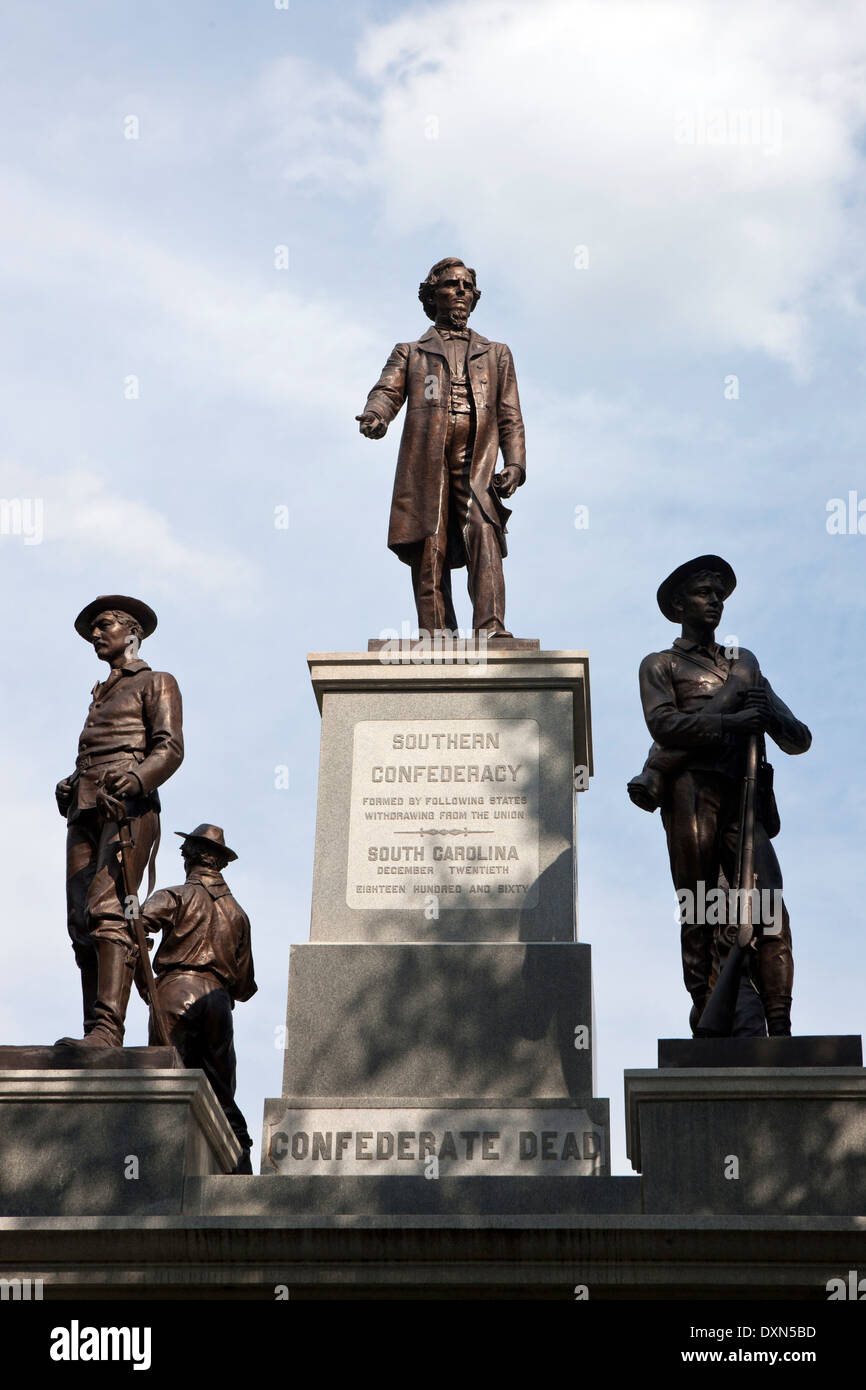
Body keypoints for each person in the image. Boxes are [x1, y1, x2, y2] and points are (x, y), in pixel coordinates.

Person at [629, 556, 811, 1036]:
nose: (714, 601)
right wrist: (732, 720)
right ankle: (705, 1010)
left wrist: (768, 714)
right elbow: (664, 724)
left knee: (770, 906)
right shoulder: (660, 664)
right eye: (703, 593)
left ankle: (780, 1023)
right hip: (691, 791)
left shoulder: (742, 665)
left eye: (719, 595)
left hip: (744, 796)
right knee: (699, 905)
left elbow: (799, 738)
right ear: (678, 605)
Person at [357, 257, 526, 637]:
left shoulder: (497, 353)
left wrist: (515, 463)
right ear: (433, 296)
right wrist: (376, 414)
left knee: (483, 530)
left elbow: (509, 413)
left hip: (477, 458)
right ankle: (436, 633)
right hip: (426, 459)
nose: (461, 292)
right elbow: (387, 391)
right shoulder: (410, 352)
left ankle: (491, 629)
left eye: (467, 286)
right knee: (430, 540)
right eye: (452, 285)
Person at [55, 596, 183, 1047]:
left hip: (127, 807)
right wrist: (71, 784)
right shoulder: (100, 692)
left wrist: (136, 779)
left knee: (107, 910)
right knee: (80, 920)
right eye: (93, 628)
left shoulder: (156, 681)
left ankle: (108, 1030)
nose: (96, 634)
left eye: (104, 625)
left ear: (132, 633)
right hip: (85, 808)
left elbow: (169, 748)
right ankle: (92, 1029)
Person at [139, 824, 256, 1174]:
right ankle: (239, 1169)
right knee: (221, 1093)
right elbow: (243, 986)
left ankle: (156, 1170)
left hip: (174, 992)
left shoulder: (174, 896)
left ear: (189, 858)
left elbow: (134, 928)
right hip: (219, 1004)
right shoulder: (239, 915)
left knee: (165, 1082)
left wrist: (143, 980)